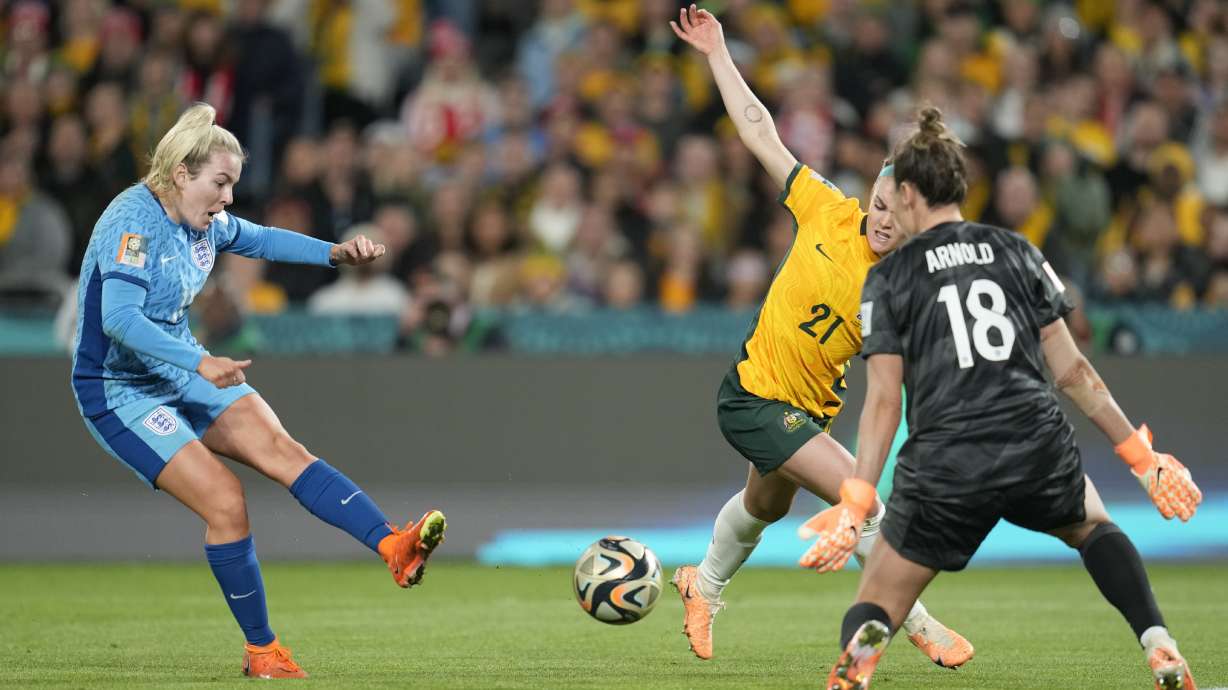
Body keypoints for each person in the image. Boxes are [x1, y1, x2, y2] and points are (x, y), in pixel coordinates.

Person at [804, 107, 1202, 690]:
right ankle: (1158, 641)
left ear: (910, 193)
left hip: (948, 461)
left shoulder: (890, 279)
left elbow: (885, 402)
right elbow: (1072, 370)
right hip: (1034, 439)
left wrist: (858, 497)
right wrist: (1143, 458)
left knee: (881, 598)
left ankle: (858, 667)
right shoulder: (1016, 250)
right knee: (1092, 525)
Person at [69, 104, 446, 679]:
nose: (226, 198)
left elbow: (261, 239)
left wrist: (334, 253)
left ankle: (393, 547)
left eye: (232, 185)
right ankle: (262, 650)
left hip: (181, 368)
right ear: (180, 175)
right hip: (120, 390)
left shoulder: (204, 221)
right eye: (220, 183)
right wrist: (200, 361)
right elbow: (119, 319)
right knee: (225, 501)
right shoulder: (133, 222)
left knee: (282, 450)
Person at [668, 5, 973, 667]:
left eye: (902, 214)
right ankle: (916, 623)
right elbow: (759, 133)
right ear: (873, 192)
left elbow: (906, 380)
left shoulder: (905, 284)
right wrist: (719, 53)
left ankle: (702, 582)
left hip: (810, 408)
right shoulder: (825, 209)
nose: (885, 221)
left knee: (762, 506)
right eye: (883, 204)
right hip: (752, 396)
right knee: (861, 500)